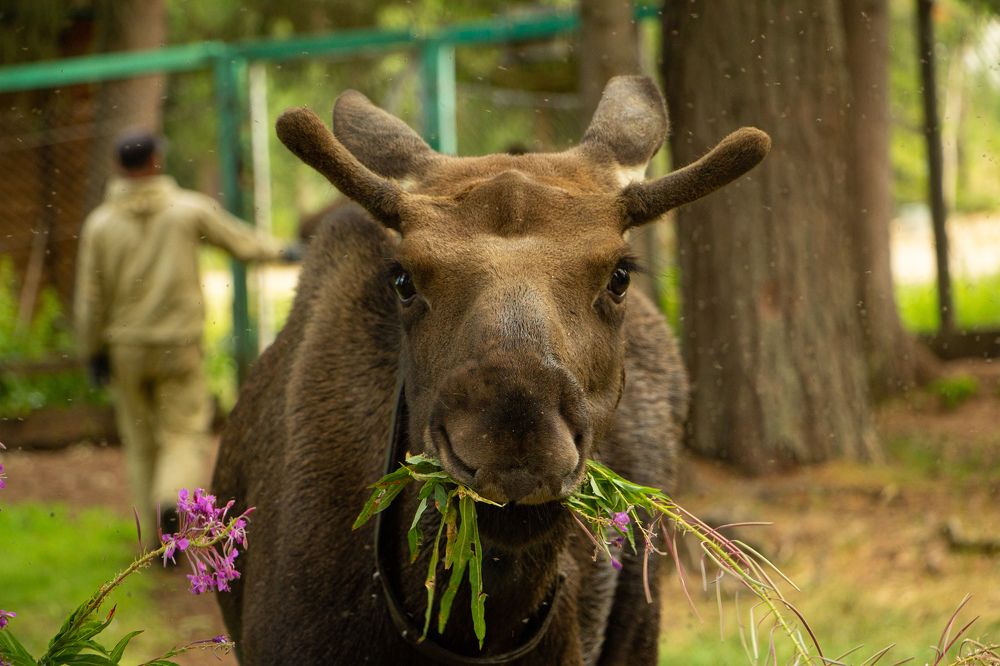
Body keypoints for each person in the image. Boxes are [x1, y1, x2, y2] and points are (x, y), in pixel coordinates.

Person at [74, 130, 299, 544]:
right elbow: (242, 242)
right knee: (183, 432)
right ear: (156, 161)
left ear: (119, 166)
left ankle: (153, 543)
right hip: (178, 344)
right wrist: (285, 250)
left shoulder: (100, 225)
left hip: (126, 348)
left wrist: (92, 352)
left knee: (140, 443)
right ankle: (170, 501)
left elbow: (90, 298)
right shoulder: (186, 209)